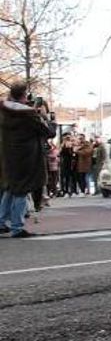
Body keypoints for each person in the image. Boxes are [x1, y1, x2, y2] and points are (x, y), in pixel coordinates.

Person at [0, 82, 56, 238]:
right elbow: (48, 132)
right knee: (21, 191)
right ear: (24, 96)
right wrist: (48, 118)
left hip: (9, 155)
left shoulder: (4, 111)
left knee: (10, 189)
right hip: (26, 157)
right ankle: (17, 227)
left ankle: (1, 222)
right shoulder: (28, 114)